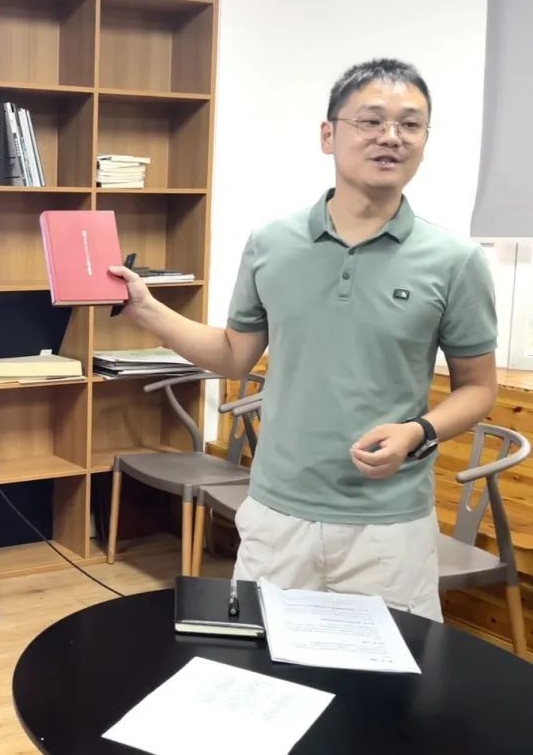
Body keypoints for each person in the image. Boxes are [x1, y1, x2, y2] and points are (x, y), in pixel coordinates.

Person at [109, 58, 498, 622]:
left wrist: (419, 431)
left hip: (389, 526)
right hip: (278, 514)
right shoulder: (272, 243)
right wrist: (145, 309)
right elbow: (233, 356)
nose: (391, 136)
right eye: (371, 121)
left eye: (411, 124)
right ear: (328, 135)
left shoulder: (455, 260)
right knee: (265, 661)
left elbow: (479, 387)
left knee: (384, 674)